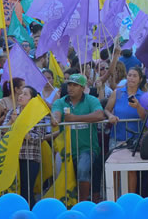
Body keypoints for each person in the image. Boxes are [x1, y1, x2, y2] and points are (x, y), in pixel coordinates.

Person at [51, 73, 105, 201]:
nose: (71, 88)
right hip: (66, 150)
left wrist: (75, 119)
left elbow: (99, 115)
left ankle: (83, 202)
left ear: (82, 87)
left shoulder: (91, 100)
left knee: (82, 169)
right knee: (62, 177)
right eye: (69, 84)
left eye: (75, 85)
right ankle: (69, 203)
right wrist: (55, 119)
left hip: (87, 148)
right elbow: (56, 114)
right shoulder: (60, 101)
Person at [104, 66, 147, 196]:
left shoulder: (144, 96)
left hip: (134, 140)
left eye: (134, 76)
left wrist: (138, 106)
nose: (131, 78)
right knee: (114, 170)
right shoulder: (117, 93)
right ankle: (114, 199)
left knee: (131, 171)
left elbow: (145, 117)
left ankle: (131, 200)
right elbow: (106, 109)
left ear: (140, 79)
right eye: (129, 75)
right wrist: (110, 116)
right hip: (117, 137)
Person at [4, 86, 48, 206]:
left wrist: (22, 130)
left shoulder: (38, 115)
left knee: (26, 190)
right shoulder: (12, 112)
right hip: (12, 157)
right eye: (21, 93)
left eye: (25, 94)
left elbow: (40, 136)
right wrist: (11, 122)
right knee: (12, 191)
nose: (20, 96)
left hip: (30, 156)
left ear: (32, 99)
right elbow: (2, 132)